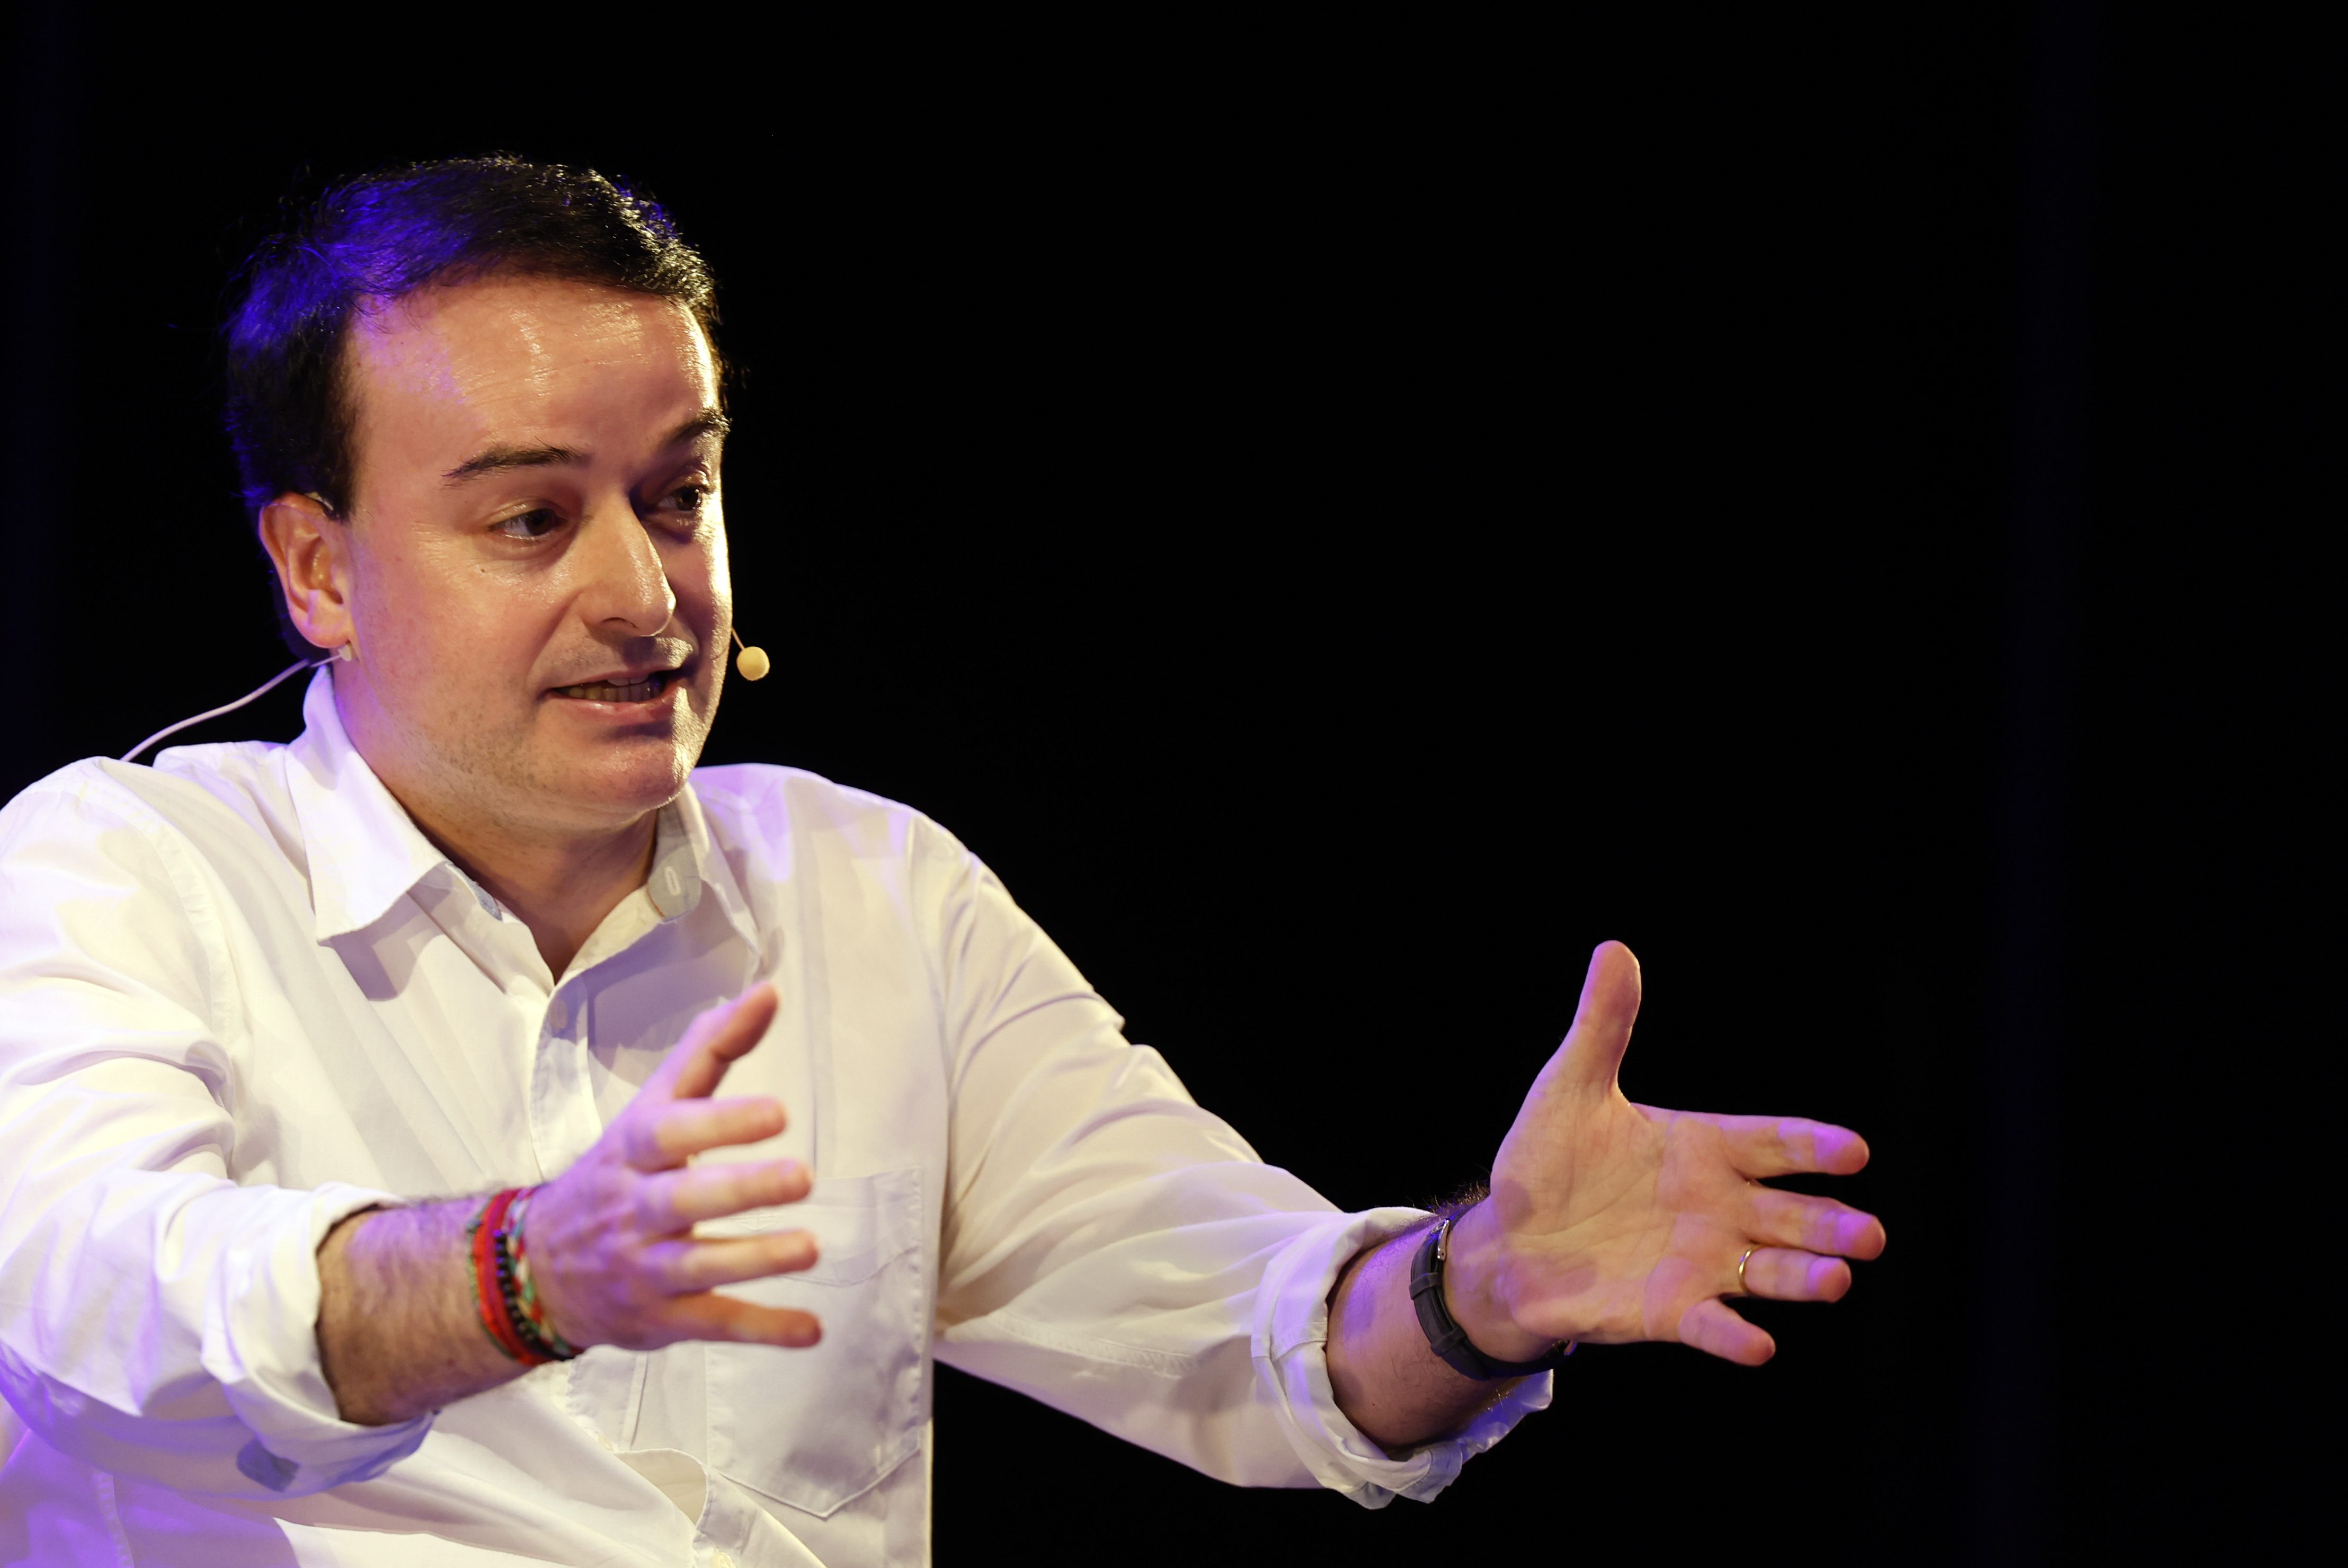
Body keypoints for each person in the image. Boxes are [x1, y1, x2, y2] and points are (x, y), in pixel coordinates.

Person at [0, 157, 1884, 1567]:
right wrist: (521, 1275)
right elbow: (101, 1289)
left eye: (678, 495)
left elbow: (1248, 1338)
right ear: (319, 567)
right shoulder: (121, 867)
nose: (645, 593)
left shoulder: (867, 893)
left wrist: (1481, 1287)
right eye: (531, 521)